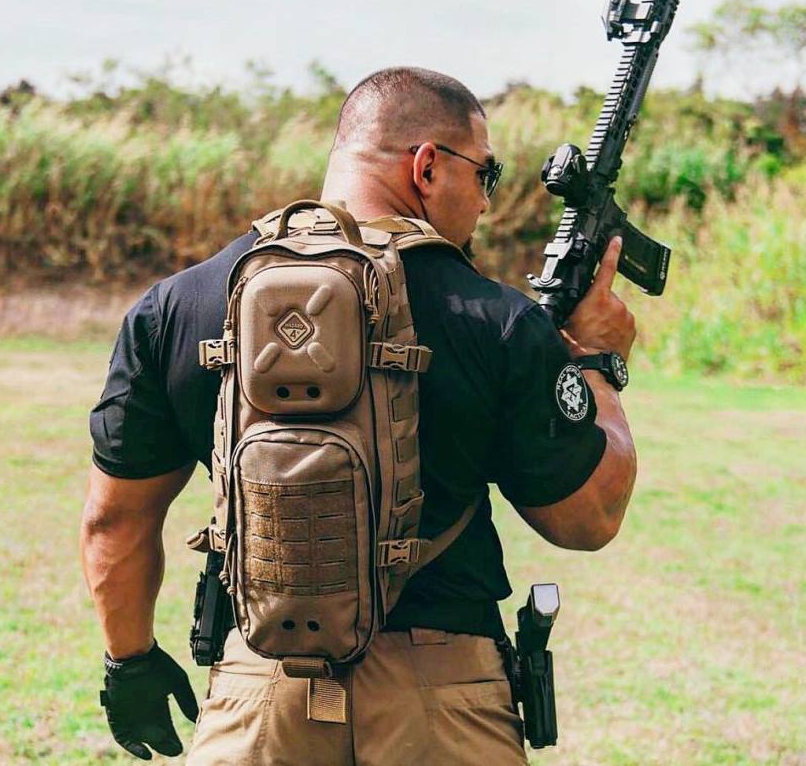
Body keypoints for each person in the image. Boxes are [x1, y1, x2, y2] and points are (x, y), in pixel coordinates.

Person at [81, 66, 637, 765]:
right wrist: (598, 364)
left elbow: (115, 520)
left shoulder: (176, 306)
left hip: (258, 696)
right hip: (443, 704)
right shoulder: (496, 319)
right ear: (428, 167)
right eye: (485, 176)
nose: (487, 204)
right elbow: (588, 519)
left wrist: (129, 661)